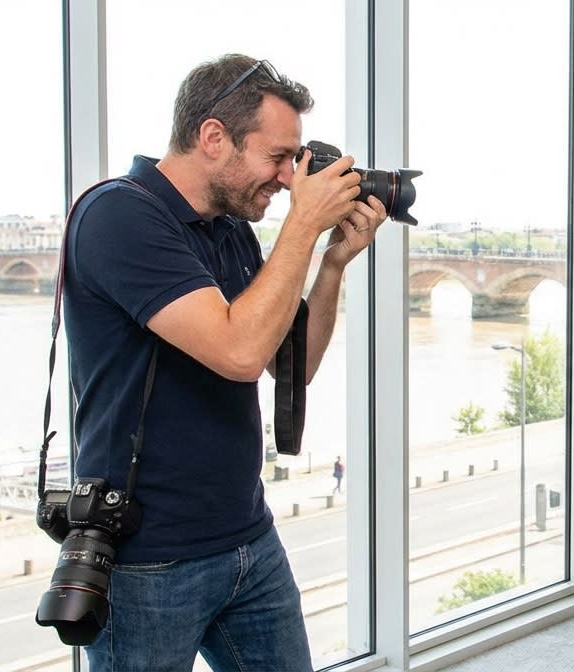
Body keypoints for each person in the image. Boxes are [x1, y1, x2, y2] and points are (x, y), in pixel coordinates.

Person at [62, 54, 387, 670]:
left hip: (246, 537)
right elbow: (236, 352)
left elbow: (290, 366)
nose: (291, 178)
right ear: (214, 137)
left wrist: (333, 262)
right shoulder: (120, 216)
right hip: (148, 560)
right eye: (278, 157)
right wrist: (301, 227)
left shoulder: (228, 227)